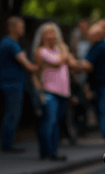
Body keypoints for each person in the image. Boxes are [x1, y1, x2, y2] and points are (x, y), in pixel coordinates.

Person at [31, 22, 77, 161]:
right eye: (48, 33)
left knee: (56, 121)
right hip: (48, 91)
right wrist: (66, 52)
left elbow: (73, 63)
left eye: (53, 33)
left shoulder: (60, 50)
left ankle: (51, 150)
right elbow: (57, 62)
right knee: (49, 120)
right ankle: (48, 151)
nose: (52, 36)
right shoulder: (41, 51)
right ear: (42, 36)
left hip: (62, 91)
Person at [0, 16, 39, 153]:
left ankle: (7, 143)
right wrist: (42, 65)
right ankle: (7, 145)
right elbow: (27, 65)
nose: (23, 29)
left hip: (11, 82)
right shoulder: (11, 44)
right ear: (12, 27)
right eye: (20, 26)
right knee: (13, 114)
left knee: (11, 113)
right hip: (12, 83)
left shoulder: (7, 43)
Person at [76, 24, 105, 144]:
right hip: (102, 83)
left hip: (104, 84)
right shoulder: (100, 46)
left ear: (97, 36)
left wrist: (72, 65)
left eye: (91, 35)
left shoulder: (99, 47)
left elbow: (87, 64)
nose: (89, 37)